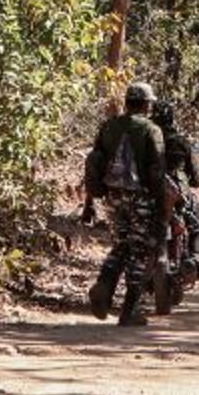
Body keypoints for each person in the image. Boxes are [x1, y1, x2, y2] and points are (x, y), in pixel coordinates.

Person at [82, 82, 167, 327]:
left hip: (112, 197)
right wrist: (160, 202)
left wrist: (90, 200)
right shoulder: (151, 130)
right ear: (146, 105)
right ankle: (130, 309)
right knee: (139, 250)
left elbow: (94, 163)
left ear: (127, 102)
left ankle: (104, 285)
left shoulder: (109, 126)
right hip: (141, 198)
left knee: (120, 245)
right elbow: (157, 168)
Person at [150, 101, 199, 274]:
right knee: (195, 222)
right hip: (179, 193)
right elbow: (196, 180)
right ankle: (196, 256)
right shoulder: (182, 142)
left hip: (150, 192)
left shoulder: (146, 141)